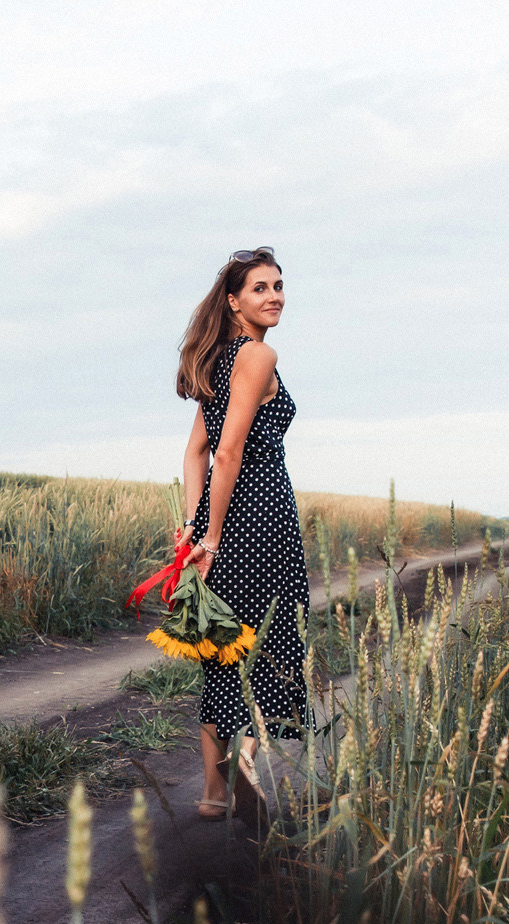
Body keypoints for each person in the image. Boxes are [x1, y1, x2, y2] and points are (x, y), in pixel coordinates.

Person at [174, 246, 308, 823]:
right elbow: (225, 454)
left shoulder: (219, 361)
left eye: (278, 286)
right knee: (274, 644)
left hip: (221, 517)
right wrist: (210, 538)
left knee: (222, 650)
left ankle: (213, 793)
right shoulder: (257, 355)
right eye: (260, 288)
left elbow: (195, 452)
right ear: (233, 301)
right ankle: (247, 760)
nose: (274, 296)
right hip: (261, 517)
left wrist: (194, 526)